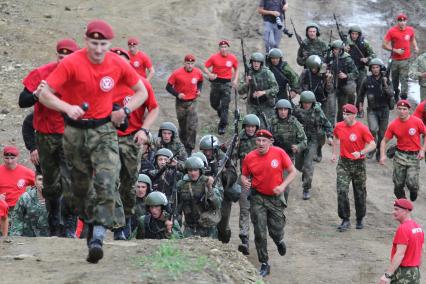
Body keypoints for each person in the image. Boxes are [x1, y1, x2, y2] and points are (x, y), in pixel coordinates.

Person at [39, 19, 148, 264]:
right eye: (94, 43)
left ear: (110, 43)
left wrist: (126, 111)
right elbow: (44, 94)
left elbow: (141, 91)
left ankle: (99, 233)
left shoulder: (117, 63)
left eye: (104, 44)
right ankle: (90, 225)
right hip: (75, 132)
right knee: (80, 188)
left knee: (108, 178)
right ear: (87, 41)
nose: (99, 49)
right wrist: (67, 107)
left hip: (104, 129)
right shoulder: (71, 63)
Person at [19, 38, 79, 237]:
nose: (63, 60)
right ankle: (54, 224)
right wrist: (36, 94)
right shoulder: (42, 73)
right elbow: (22, 101)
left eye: (67, 57)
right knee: (51, 183)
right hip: (45, 135)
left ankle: (69, 226)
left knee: (70, 182)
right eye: (60, 56)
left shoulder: (81, 77)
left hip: (70, 135)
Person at [110, 47, 159, 240]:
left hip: (133, 139)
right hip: (110, 138)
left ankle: (127, 219)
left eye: (123, 60)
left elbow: (154, 109)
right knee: (110, 180)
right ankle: (118, 226)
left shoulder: (142, 84)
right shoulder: (106, 85)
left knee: (129, 184)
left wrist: (144, 130)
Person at [241, 129, 297, 277]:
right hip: (257, 197)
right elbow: (244, 175)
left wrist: (283, 186)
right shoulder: (249, 157)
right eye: (258, 141)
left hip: (275, 198)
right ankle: (264, 262)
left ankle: (278, 240)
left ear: (270, 142)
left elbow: (293, 171)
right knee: (259, 231)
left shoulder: (279, 153)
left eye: (264, 141)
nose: (260, 143)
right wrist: (245, 181)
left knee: (276, 229)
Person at [331, 104, 376, 232]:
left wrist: (361, 152)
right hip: (344, 163)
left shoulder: (362, 128)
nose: (345, 117)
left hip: (358, 164)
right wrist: (334, 153)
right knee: (342, 190)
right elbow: (335, 137)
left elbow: (372, 144)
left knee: (360, 192)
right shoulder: (339, 126)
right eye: (344, 114)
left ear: (354, 115)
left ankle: (360, 217)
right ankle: (345, 219)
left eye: (348, 114)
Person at [379, 100, 426, 201]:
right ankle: (403, 203)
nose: (402, 111)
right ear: (396, 110)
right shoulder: (393, 125)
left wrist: (423, 150)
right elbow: (384, 141)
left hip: (414, 156)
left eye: (404, 109)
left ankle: (414, 190)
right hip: (400, 155)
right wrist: (382, 155)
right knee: (398, 184)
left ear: (409, 110)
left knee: (412, 182)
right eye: (399, 109)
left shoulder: (417, 121)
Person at [199, 134, 239, 244]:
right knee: (207, 221)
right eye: (205, 150)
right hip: (206, 194)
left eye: (210, 150)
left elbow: (234, 175)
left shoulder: (224, 158)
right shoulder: (199, 159)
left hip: (223, 197)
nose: (207, 153)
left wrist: (225, 172)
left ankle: (224, 241)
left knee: (223, 225)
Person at [293, 91, 333, 199]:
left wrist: (330, 136)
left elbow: (327, 124)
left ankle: (306, 188)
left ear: (312, 103)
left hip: (313, 140)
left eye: (309, 103)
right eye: (305, 102)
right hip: (300, 140)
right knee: (298, 164)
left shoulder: (317, 111)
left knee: (308, 164)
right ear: (301, 102)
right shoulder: (296, 111)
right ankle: (305, 172)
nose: (306, 105)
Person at [379, 199, 424, 284]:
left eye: (396, 209)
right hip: (414, 272)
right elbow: (420, 251)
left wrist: (387, 275)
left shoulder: (403, 229)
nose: (393, 212)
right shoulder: (418, 228)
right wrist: (415, 269)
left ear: (406, 211)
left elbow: (400, 254)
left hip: (403, 274)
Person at [166, 54, 204, 156]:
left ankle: (189, 148)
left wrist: (199, 90)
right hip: (181, 103)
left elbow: (200, 81)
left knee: (192, 125)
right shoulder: (177, 73)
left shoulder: (198, 72)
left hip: (193, 101)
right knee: (183, 127)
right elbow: (168, 87)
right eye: (188, 63)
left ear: (194, 64)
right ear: (184, 63)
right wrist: (177, 94)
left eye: (192, 63)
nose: (190, 66)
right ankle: (181, 146)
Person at [176, 157, 223, 238]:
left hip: (208, 227)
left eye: (195, 170)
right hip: (189, 227)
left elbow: (217, 205)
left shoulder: (208, 182)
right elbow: (178, 208)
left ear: (200, 171)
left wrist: (210, 188)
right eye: (190, 170)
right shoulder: (181, 185)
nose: (193, 173)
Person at [357, 58, 394, 161]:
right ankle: (372, 148)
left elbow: (391, 94)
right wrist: (360, 106)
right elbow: (361, 94)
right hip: (372, 109)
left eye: (377, 67)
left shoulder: (386, 79)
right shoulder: (366, 80)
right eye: (373, 67)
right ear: (370, 69)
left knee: (382, 134)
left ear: (380, 68)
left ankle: (379, 151)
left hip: (384, 110)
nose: (375, 69)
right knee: (373, 129)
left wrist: (385, 84)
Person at [270, 99, 307, 200]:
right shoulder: (271, 122)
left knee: (284, 186)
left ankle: (282, 204)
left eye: (285, 109)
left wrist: (298, 147)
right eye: (280, 109)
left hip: (288, 157)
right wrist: (269, 141)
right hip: (272, 156)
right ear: (277, 111)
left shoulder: (294, 123)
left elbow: (304, 141)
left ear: (289, 111)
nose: (282, 112)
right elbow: (263, 138)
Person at [235, 114, 260, 255]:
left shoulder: (262, 140)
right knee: (244, 210)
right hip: (245, 179)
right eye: (248, 126)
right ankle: (244, 239)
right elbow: (231, 156)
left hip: (260, 181)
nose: (250, 129)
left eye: (253, 126)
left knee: (257, 213)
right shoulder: (239, 139)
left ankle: (259, 238)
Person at [203, 40, 239, 135]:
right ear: (219, 48)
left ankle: (222, 125)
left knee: (225, 105)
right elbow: (205, 66)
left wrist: (235, 80)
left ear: (228, 48)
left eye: (225, 47)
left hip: (226, 84)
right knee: (214, 104)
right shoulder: (214, 57)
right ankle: (221, 112)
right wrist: (209, 74)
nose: (223, 49)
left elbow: (236, 69)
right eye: (222, 47)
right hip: (215, 83)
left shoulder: (232, 58)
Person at [382, 13, 419, 101]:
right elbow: (384, 45)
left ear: (406, 21)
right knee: (395, 79)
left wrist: (415, 47)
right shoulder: (392, 31)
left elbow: (412, 38)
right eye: (400, 21)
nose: (402, 22)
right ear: (397, 22)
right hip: (394, 60)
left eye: (404, 21)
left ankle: (403, 98)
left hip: (405, 60)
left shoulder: (410, 30)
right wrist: (395, 50)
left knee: (404, 79)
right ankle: (396, 92)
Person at [238, 52, 279, 129]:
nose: (256, 64)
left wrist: (263, 92)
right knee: (251, 126)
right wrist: (246, 84)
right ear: (251, 62)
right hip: (252, 105)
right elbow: (240, 91)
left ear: (261, 63)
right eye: (254, 62)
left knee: (267, 127)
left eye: (258, 62)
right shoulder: (248, 73)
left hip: (266, 105)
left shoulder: (267, 73)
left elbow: (276, 89)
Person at [327, 40, 359, 122]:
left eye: (337, 49)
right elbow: (322, 69)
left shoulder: (347, 59)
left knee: (342, 110)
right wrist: (326, 74)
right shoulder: (328, 57)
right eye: (334, 49)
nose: (335, 51)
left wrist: (346, 76)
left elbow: (356, 73)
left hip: (343, 88)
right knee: (331, 110)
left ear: (341, 49)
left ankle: (340, 127)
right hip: (331, 88)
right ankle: (331, 130)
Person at [300, 55, 335, 127]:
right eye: (311, 68)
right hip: (308, 101)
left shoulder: (326, 74)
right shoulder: (305, 73)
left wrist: (328, 81)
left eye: (315, 68)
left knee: (323, 120)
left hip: (322, 100)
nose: (313, 70)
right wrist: (304, 94)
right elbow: (299, 85)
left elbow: (329, 90)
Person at [0, 146, 35, 214]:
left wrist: (32, 197)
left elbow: (40, 184)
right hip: (2, 207)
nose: (9, 161)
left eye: (12, 158)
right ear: (3, 157)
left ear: (17, 158)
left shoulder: (25, 171)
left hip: (19, 208)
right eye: (6, 158)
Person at [345, 25, 376, 101]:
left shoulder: (364, 43)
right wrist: (343, 49)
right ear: (350, 34)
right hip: (350, 71)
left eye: (356, 34)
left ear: (359, 34)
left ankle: (359, 108)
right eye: (352, 34)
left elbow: (373, 55)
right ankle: (350, 109)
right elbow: (336, 53)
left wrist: (367, 59)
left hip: (361, 70)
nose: (354, 36)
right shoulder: (345, 42)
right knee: (350, 91)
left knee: (361, 91)